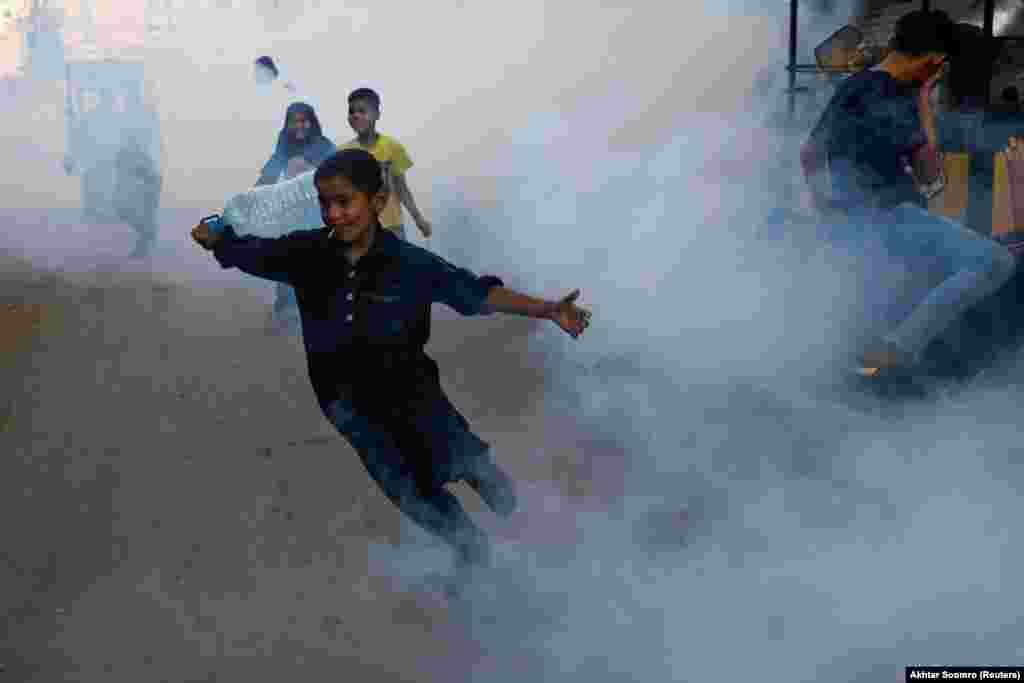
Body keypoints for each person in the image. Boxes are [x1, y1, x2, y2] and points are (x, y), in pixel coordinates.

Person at [191, 148, 592, 594]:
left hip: (414, 395)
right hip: (348, 407)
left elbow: (474, 293)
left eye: (345, 202)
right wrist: (218, 240)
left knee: (470, 466)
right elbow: (251, 252)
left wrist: (546, 309)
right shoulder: (306, 253)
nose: (334, 214)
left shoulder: (411, 264)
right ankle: (481, 561)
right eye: (325, 203)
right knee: (409, 492)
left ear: (377, 201)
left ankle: (546, 542)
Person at [800, 9, 1017, 376]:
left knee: (886, 305)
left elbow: (810, 153)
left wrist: (829, 211)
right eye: (941, 65)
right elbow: (931, 174)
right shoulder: (897, 96)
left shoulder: (855, 86)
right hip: (886, 216)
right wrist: (923, 101)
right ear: (935, 61)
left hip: (858, 219)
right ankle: (896, 351)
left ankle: (877, 362)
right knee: (993, 261)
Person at [255, 101, 336, 333]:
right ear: (288, 125)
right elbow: (271, 171)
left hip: (318, 212)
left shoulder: (324, 146)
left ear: (312, 123)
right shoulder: (285, 146)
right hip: (291, 211)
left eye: (303, 120)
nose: (299, 125)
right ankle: (286, 308)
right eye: (294, 121)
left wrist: (309, 165)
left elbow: (339, 171)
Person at [340, 88, 432, 240]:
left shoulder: (391, 147)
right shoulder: (343, 152)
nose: (355, 115)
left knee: (395, 263)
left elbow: (401, 188)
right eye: (351, 111)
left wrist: (418, 219)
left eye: (362, 111)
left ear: (377, 115)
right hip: (358, 225)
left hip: (391, 225)